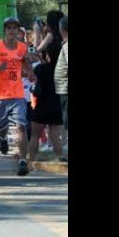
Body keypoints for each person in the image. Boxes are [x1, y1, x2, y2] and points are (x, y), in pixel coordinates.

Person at [0, 17, 33, 176]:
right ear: (5, 31)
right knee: (3, 127)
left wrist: (29, 72)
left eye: (14, 28)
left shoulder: (22, 48)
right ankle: (2, 139)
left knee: (21, 126)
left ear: (18, 31)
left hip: (17, 94)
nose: (12, 31)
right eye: (9, 28)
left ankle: (23, 161)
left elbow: (26, 63)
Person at [53, 15, 68, 161]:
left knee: (66, 120)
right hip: (63, 89)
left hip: (66, 89)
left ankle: (66, 150)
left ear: (62, 30)